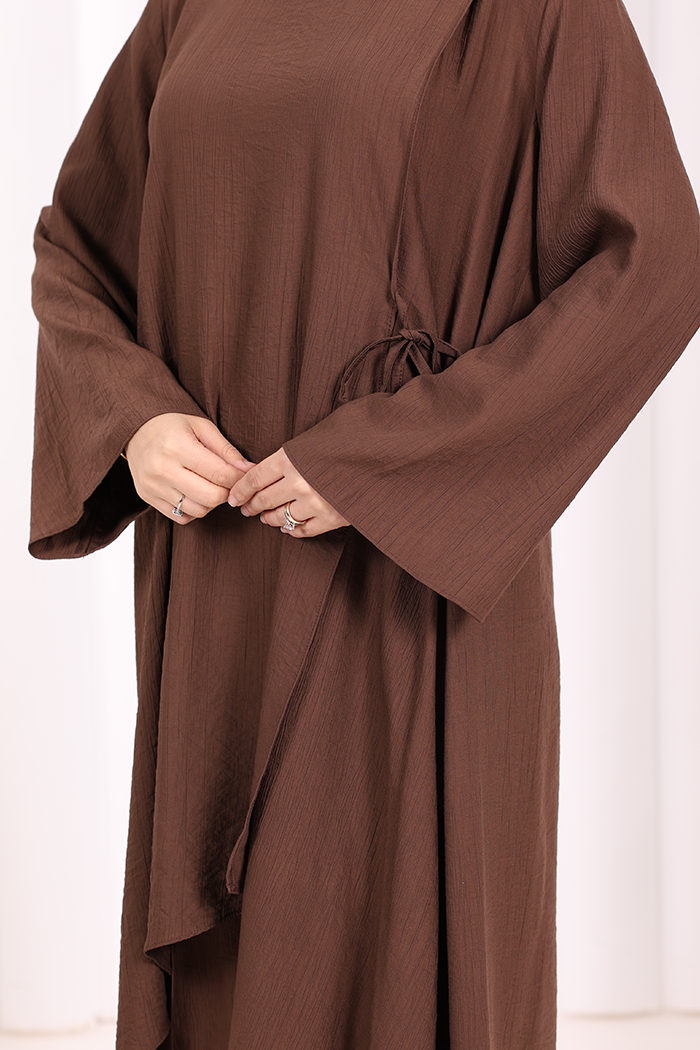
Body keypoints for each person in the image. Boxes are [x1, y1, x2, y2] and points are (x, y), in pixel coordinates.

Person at [28, 0, 700, 1047]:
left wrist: (386, 464)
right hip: (214, 571)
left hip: (405, 579)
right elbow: (78, 246)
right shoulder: (192, 7)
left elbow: (652, 262)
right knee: (223, 965)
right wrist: (133, 416)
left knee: (385, 929)